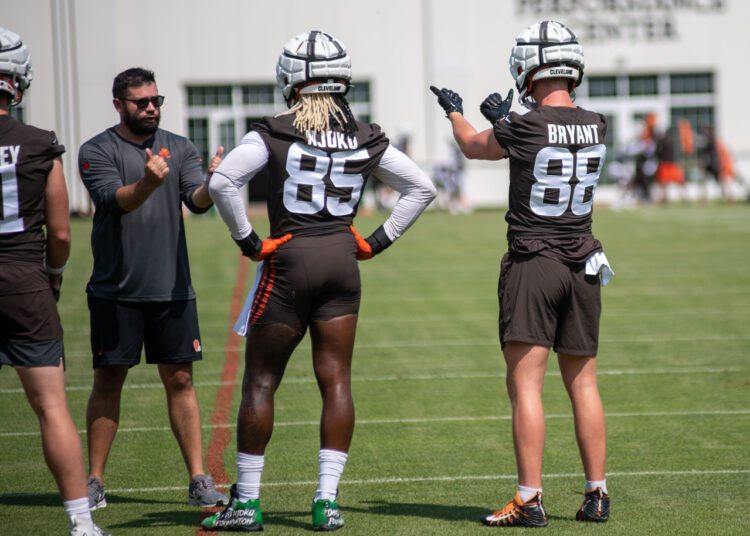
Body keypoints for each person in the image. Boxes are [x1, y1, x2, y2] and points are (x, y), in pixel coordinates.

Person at [201, 30, 436, 532]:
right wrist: (377, 239)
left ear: (290, 80)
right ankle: (327, 503)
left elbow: (223, 181)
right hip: (341, 265)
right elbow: (422, 187)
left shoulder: (275, 130)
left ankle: (247, 503)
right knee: (337, 382)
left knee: (262, 381)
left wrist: (248, 242)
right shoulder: (364, 133)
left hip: (289, 261)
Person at [431, 20, 613, 527]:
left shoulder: (525, 124)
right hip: (584, 262)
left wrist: (455, 112)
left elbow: (474, 146)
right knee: (584, 383)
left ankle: (530, 499)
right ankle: (597, 494)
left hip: (534, 262)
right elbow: (555, 127)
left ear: (527, 68)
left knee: (526, 385)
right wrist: (514, 117)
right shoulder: (599, 122)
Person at [78, 67, 228, 510]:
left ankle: (199, 479)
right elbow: (113, 200)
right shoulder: (96, 150)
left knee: (181, 379)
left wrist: (212, 186)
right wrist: (147, 182)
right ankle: (94, 481)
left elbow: (195, 203)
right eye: (141, 102)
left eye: (155, 101)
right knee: (109, 381)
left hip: (173, 290)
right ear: (118, 104)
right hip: (115, 291)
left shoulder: (180, 147)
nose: (150, 108)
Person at [0, 26, 109, 536]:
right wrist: (54, 276)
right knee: (51, 407)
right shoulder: (40, 144)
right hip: (23, 280)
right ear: (17, 84)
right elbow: (61, 232)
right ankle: (80, 522)